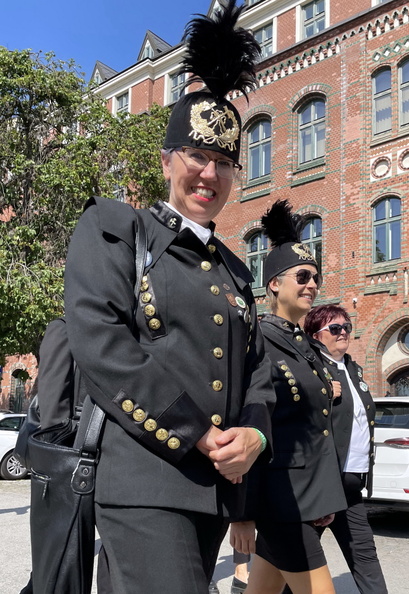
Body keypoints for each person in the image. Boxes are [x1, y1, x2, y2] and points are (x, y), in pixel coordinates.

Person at [64, 3, 275, 594]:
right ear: (165, 162)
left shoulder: (235, 269)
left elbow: (258, 368)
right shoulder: (116, 228)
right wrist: (195, 430)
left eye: (225, 162)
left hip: (214, 492)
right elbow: (102, 344)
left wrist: (255, 435)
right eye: (197, 156)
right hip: (144, 483)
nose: (210, 173)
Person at [230, 200, 347, 594]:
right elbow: (248, 421)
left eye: (315, 276)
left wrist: (325, 496)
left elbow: (315, 430)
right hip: (280, 501)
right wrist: (242, 513)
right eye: (302, 276)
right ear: (274, 284)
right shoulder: (258, 340)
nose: (311, 284)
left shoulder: (307, 346)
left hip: (306, 498)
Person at [303, 304, 388, 594]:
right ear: (315, 335)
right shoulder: (311, 369)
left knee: (365, 556)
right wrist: (321, 393)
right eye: (335, 328)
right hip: (321, 485)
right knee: (297, 563)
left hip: (351, 487)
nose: (343, 333)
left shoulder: (353, 368)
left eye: (346, 328)